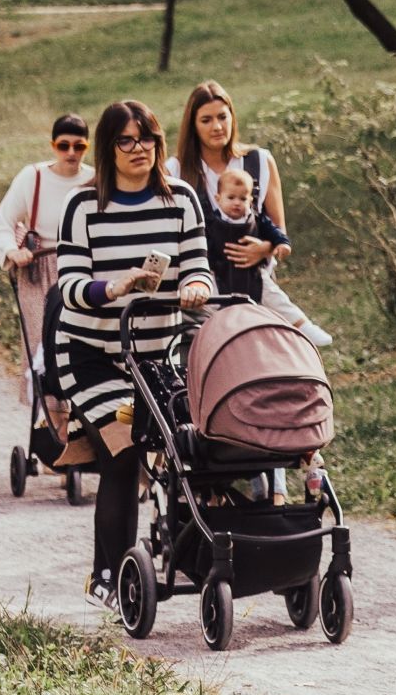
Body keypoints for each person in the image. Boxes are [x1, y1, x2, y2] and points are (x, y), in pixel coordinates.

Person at [49, 99, 214, 593]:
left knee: (182, 451)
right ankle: (108, 576)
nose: (139, 148)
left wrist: (197, 289)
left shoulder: (182, 200)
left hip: (154, 357)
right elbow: (70, 285)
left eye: (147, 138)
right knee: (122, 453)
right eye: (126, 139)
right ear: (109, 147)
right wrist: (117, 288)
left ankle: (188, 554)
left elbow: (199, 266)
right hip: (89, 354)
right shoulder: (82, 206)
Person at [176, 80, 331, 347]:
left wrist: (264, 248)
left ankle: (300, 329)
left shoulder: (258, 160)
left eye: (223, 117)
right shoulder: (177, 170)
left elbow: (278, 227)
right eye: (206, 120)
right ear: (193, 125)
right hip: (208, 285)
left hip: (254, 278)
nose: (217, 127)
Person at [0, 114, 97, 377]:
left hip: (83, 267)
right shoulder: (33, 177)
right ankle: (46, 413)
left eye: (79, 146)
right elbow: (5, 220)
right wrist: (12, 251)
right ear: (53, 146)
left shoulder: (94, 180)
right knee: (43, 342)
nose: (71, 153)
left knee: (82, 341)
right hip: (41, 269)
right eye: (64, 146)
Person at [202, 164, 291, 303]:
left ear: (250, 200)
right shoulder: (210, 223)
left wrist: (282, 243)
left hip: (254, 275)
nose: (237, 203)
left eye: (242, 199)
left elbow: (274, 230)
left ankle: (303, 325)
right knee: (210, 304)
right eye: (231, 198)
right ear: (218, 198)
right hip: (220, 275)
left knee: (280, 303)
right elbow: (203, 246)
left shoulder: (256, 219)